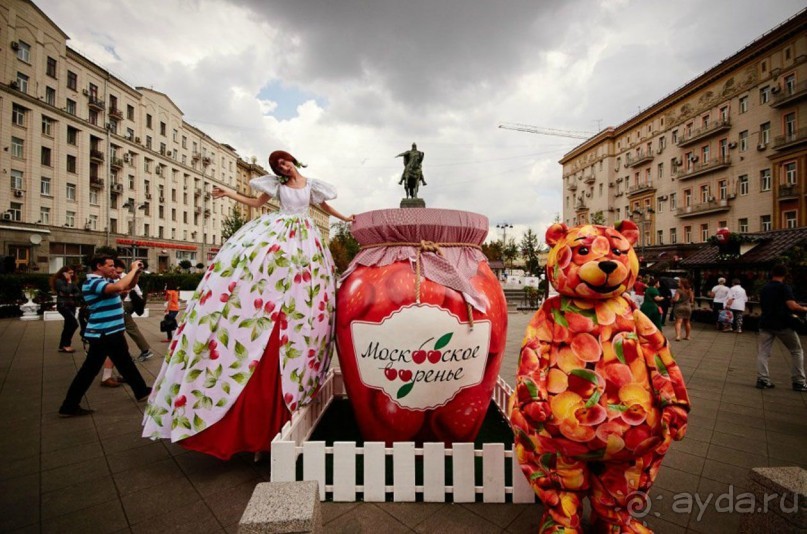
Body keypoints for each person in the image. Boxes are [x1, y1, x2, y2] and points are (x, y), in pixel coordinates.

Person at [142, 149, 354, 459]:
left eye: (285, 161)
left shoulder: (311, 185)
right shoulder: (277, 188)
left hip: (306, 238)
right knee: (262, 265)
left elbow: (324, 206)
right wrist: (228, 192)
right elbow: (255, 203)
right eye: (278, 164)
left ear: (294, 160)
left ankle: (295, 301)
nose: (283, 166)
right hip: (280, 231)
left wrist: (345, 218)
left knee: (307, 284)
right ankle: (261, 297)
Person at [59, 256, 151, 417]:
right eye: (110, 266)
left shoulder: (102, 281)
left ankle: (141, 391)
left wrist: (137, 273)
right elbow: (120, 286)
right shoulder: (93, 282)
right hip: (104, 333)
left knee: (124, 363)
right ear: (98, 266)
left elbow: (129, 285)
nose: (113, 268)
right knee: (91, 370)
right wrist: (133, 269)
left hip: (109, 332)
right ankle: (69, 405)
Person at [756, 264, 807, 391]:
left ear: (772, 274)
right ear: (785, 274)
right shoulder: (784, 288)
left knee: (763, 352)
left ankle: (763, 379)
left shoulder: (765, 288)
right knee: (796, 351)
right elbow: (792, 306)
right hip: (782, 324)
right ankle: (799, 381)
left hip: (765, 322)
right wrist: (804, 308)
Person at [115, 258, 154, 362]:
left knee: (129, 328)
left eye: (119, 272)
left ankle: (145, 350)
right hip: (125, 305)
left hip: (123, 305)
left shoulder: (122, 277)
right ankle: (127, 354)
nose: (117, 274)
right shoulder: (124, 276)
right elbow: (138, 293)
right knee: (120, 331)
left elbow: (130, 287)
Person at [51, 265, 81, 353]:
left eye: (72, 273)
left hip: (71, 305)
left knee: (68, 325)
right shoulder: (59, 281)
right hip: (63, 305)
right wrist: (69, 282)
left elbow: (79, 293)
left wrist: (70, 294)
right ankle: (66, 344)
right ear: (63, 273)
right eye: (69, 273)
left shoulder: (72, 282)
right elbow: (67, 290)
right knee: (73, 324)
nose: (71, 275)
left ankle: (63, 345)